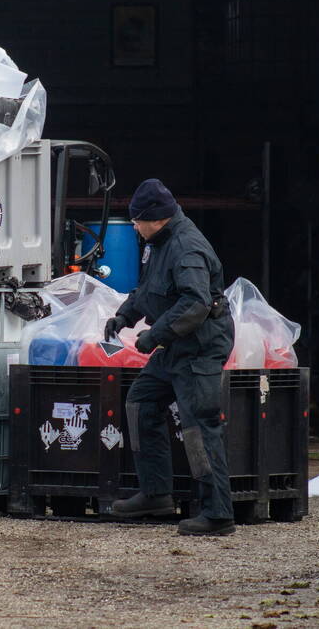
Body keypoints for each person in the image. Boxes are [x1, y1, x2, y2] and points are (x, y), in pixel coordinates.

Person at [104, 179, 236, 536]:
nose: (133, 226)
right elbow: (149, 289)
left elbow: (195, 303)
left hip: (199, 348)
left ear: (156, 218)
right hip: (177, 346)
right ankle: (155, 493)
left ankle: (218, 513)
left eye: (136, 220)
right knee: (141, 401)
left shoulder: (186, 247)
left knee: (198, 425)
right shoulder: (158, 243)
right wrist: (124, 316)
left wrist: (154, 335)